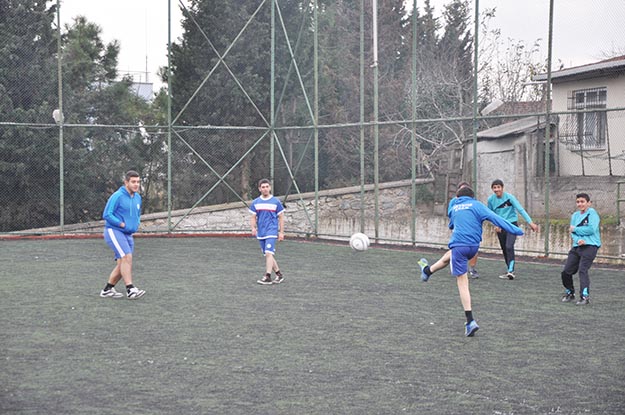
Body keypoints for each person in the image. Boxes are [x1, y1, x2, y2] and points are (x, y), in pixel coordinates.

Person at [418, 186, 524, 337]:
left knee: (462, 282)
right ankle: (427, 271)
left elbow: (451, 225)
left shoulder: (454, 207)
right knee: (450, 255)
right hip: (473, 247)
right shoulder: (477, 205)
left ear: (458, 197)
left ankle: (470, 321)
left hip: (459, 245)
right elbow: (496, 218)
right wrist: (516, 230)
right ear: (472, 197)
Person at [100, 170, 146, 299]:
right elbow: (107, 214)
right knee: (126, 257)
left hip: (128, 234)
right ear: (126, 182)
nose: (136, 184)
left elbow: (137, 214)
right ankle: (130, 289)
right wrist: (121, 224)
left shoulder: (137, 197)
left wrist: (136, 224)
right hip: (114, 231)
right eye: (133, 182)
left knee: (123, 263)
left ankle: (107, 289)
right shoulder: (117, 196)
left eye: (138, 182)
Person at [487, 179, 539, 280]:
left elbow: (520, 210)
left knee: (509, 246)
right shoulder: (491, 200)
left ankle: (511, 271)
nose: (497, 189)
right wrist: (495, 225)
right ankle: (509, 270)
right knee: (504, 249)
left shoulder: (510, 198)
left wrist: (530, 222)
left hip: (511, 225)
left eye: (498, 187)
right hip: (500, 227)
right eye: (494, 187)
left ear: (502, 188)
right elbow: (490, 214)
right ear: (492, 189)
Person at [560, 193, 601, 305]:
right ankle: (570, 293)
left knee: (583, 270)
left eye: (582, 201)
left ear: (589, 203)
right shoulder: (575, 216)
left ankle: (584, 297)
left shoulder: (592, 214)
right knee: (566, 272)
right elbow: (571, 232)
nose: (580, 204)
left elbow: (591, 229)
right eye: (578, 202)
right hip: (577, 246)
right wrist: (578, 240)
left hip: (591, 246)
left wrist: (576, 229)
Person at [249, 178, 286, 285]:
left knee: (269, 253)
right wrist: (253, 228)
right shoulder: (255, 202)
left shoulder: (276, 202)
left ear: (270, 188)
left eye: (267, 187)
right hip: (261, 232)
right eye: (263, 187)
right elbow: (253, 216)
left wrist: (281, 232)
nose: (265, 189)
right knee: (268, 254)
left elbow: (281, 217)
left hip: (272, 231)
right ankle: (279, 275)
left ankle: (268, 276)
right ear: (259, 189)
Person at [449, 181, 480, 278]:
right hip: (458, 229)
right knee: (456, 249)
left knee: (473, 249)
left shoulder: (474, 202)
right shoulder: (454, 201)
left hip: (472, 230)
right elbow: (450, 213)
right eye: (461, 188)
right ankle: (457, 268)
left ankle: (472, 269)